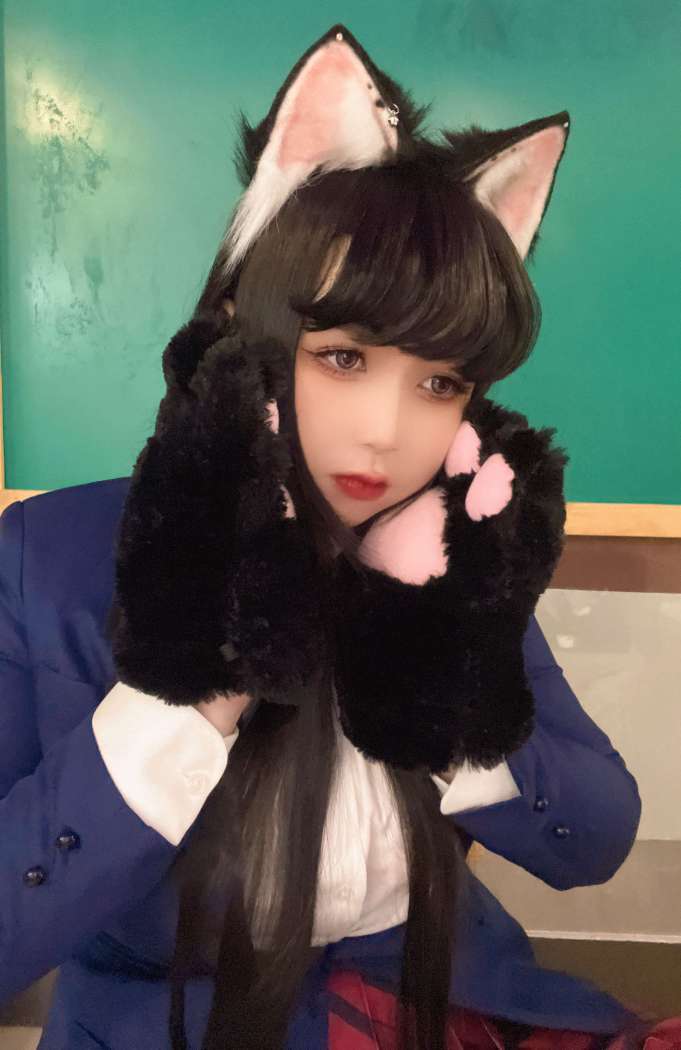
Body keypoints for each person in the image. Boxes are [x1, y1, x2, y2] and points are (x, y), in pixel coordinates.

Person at [1, 22, 679, 1050]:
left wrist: (437, 672)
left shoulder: (445, 554)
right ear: (244, 321)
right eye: (345, 358)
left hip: (441, 1006)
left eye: (440, 382)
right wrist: (197, 687)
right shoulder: (47, 559)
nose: (387, 434)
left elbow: (591, 839)